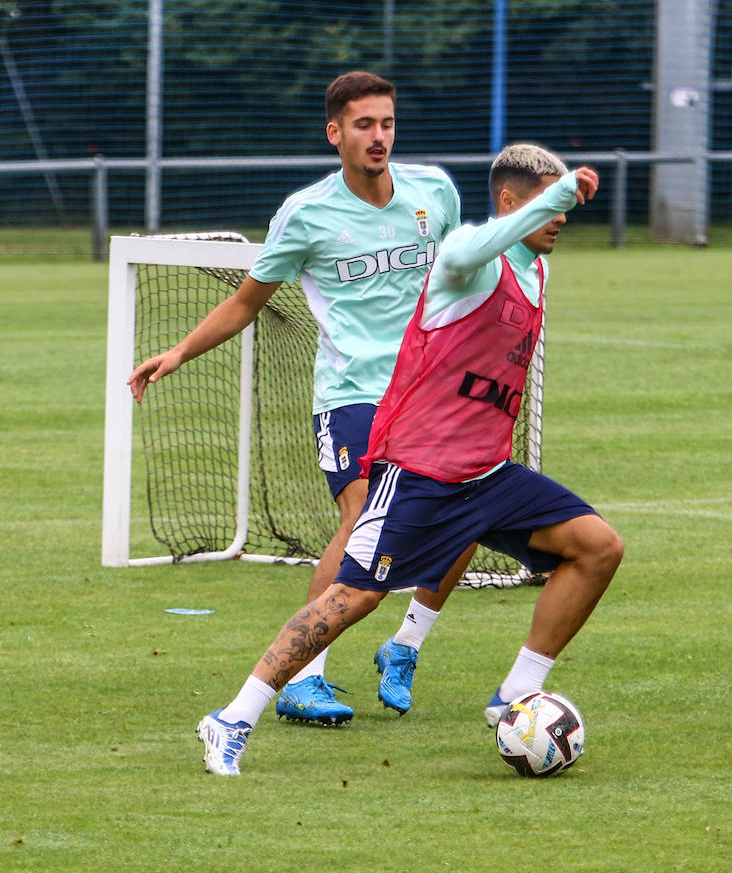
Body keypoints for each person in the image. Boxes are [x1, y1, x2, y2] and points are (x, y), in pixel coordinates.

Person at [194, 143, 624, 776]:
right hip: (419, 472)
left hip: (488, 475)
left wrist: (555, 200)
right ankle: (233, 717)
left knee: (598, 548)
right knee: (353, 598)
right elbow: (467, 249)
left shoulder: (536, 266)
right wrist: (565, 190)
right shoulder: (465, 259)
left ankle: (514, 695)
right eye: (548, 203)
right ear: (508, 201)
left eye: (565, 204)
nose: (561, 217)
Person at [128, 72, 473, 726]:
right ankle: (302, 678)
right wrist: (177, 352)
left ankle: (404, 644)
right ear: (335, 132)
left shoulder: (435, 193)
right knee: (360, 522)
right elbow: (244, 303)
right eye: (365, 124)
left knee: (465, 510)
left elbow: (463, 276)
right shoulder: (307, 213)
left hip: (428, 392)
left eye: (388, 123)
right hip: (352, 395)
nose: (379, 136)